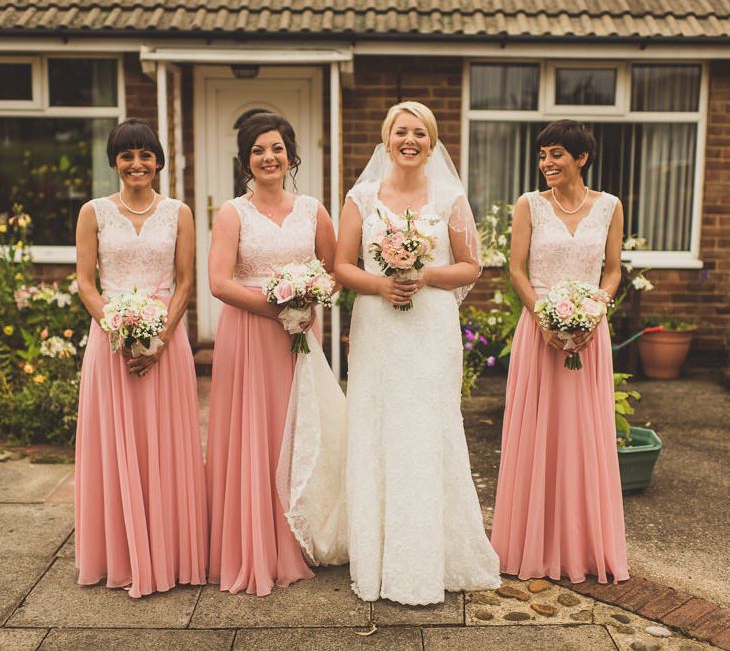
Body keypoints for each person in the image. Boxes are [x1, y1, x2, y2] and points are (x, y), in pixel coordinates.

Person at [335, 101, 501, 605]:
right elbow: (342, 266)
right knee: (379, 427)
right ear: (387, 141)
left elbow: (471, 266)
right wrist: (381, 286)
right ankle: (378, 555)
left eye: (420, 134)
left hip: (430, 328)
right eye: (401, 132)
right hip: (378, 328)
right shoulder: (360, 198)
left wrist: (423, 274)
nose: (410, 141)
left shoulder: (450, 197)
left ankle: (431, 558)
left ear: (432, 143)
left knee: (428, 430)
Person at [491, 119, 629, 584]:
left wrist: (595, 309)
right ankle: (531, 543)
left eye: (556, 155)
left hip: (590, 334)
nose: (547, 164)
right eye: (543, 155)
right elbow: (516, 269)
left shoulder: (610, 206)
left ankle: (584, 545)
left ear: (581, 158)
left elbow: (612, 271)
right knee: (538, 433)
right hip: (540, 331)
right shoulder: (529, 205)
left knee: (583, 435)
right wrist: (544, 317)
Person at [74, 118, 207, 597]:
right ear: (114, 162)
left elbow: (186, 281)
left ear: (158, 161)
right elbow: (86, 282)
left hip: (166, 349)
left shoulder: (179, 213)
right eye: (127, 155)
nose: (137, 164)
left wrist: (160, 338)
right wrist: (118, 330)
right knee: (115, 446)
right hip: (109, 346)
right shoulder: (93, 212)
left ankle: (169, 552)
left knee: (164, 445)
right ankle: (121, 554)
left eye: (145, 155)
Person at [206, 112, 337, 596]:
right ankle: (252, 541)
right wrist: (278, 305)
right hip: (250, 335)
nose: (269, 157)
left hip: (298, 338)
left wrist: (309, 300)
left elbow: (334, 269)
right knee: (253, 433)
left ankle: (297, 537)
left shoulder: (314, 211)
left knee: (297, 432)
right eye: (259, 150)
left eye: (277, 148)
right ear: (246, 160)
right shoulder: (231, 213)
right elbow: (218, 282)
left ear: (291, 155)